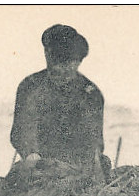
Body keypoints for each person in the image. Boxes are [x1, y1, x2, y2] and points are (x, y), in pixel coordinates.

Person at [10, 24, 108, 174]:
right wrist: (31, 154)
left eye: (69, 64)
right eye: (57, 64)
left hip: (78, 169)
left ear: (78, 61)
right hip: (39, 167)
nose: (63, 70)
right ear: (47, 56)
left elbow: (94, 140)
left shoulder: (90, 94)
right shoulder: (31, 86)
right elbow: (24, 127)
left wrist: (92, 164)